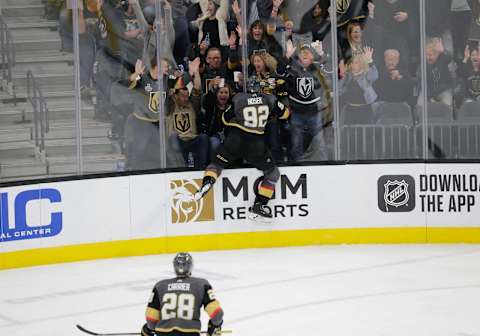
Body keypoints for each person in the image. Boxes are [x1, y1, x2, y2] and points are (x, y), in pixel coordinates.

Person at [193, 83, 290, 221]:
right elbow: (285, 113)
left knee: (216, 165)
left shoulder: (239, 98)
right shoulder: (269, 98)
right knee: (272, 174)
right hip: (256, 145)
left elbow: (225, 120)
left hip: (236, 139)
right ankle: (259, 205)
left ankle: (207, 182)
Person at [141, 252, 224, 336]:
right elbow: (217, 314)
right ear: (190, 266)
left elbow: (151, 319)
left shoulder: (160, 285)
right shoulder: (201, 284)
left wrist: (147, 330)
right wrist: (214, 329)